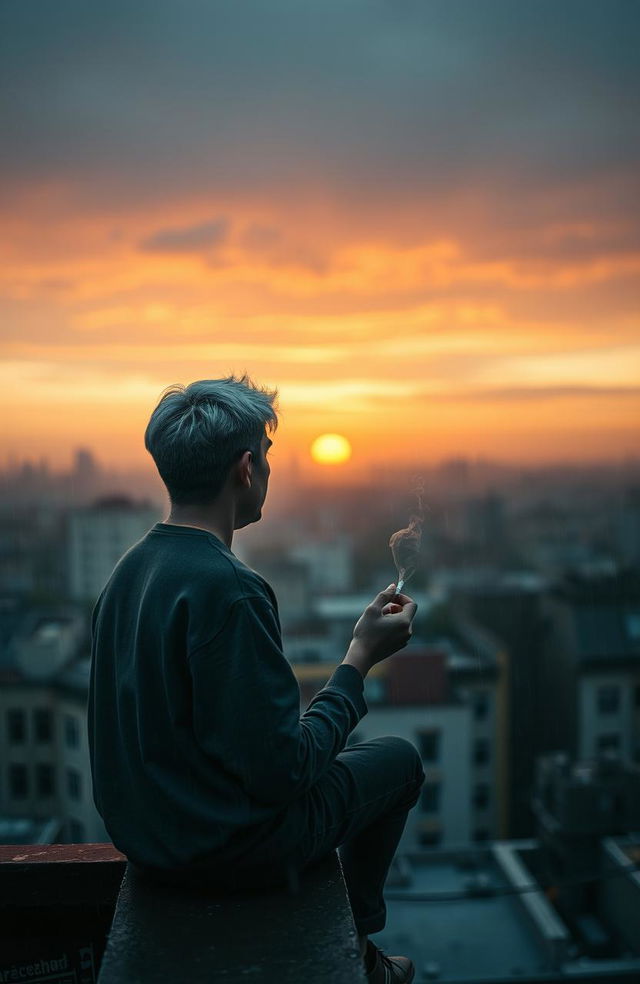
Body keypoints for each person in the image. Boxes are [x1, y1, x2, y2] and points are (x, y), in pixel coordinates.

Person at [88, 374, 424, 983]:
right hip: (227, 851)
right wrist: (358, 659)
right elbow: (284, 773)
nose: (267, 471)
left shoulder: (127, 574)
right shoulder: (231, 590)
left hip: (150, 843)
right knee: (398, 761)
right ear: (246, 467)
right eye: (265, 458)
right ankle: (359, 946)